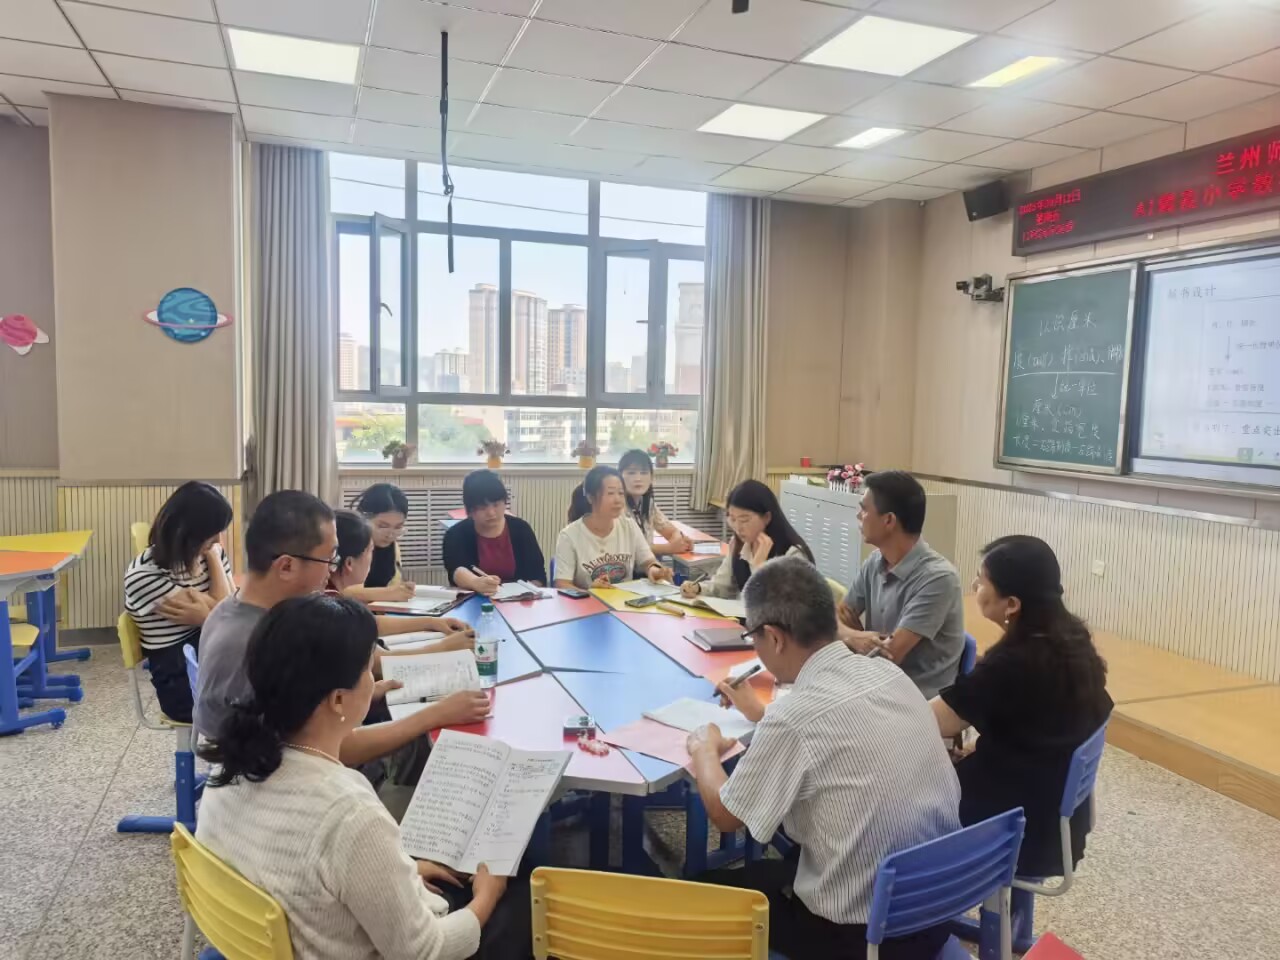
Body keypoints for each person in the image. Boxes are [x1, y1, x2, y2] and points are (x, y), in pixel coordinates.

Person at [197, 594, 529, 960]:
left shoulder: (230, 762)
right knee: (523, 895)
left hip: (270, 942)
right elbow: (426, 951)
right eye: (369, 670)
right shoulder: (349, 813)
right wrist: (488, 894)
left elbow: (296, 864)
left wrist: (393, 873)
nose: (374, 681)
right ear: (338, 700)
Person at [687, 557, 960, 960]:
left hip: (865, 937)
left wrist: (704, 750)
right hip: (936, 905)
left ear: (774, 637)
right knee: (787, 858)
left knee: (699, 891)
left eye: (752, 636)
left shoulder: (793, 716)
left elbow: (727, 816)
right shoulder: (889, 675)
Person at [193, 490, 488, 762]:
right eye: (328, 558)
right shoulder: (264, 642)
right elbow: (332, 750)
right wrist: (435, 715)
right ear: (286, 566)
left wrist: (367, 694)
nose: (333, 569)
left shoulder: (241, 609)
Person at [931, 536, 1112, 877]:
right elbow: (1041, 724)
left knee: (900, 796)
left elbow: (934, 721)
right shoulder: (1073, 640)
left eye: (982, 581)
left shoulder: (1011, 664)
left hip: (1017, 829)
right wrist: (986, 749)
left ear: (1011, 604)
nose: (975, 587)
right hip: (1054, 818)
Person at [838, 470, 964, 699]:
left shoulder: (938, 578)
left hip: (916, 699)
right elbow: (837, 617)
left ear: (889, 520)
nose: (858, 515)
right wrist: (851, 636)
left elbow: (888, 656)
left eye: (864, 509)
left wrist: (848, 636)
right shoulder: (875, 561)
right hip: (875, 685)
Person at [123, 481, 234, 723]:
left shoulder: (210, 553)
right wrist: (213, 616)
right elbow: (225, 614)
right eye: (212, 533)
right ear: (186, 533)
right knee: (267, 700)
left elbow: (229, 610)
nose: (218, 540)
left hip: (212, 658)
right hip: (182, 680)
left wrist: (214, 559)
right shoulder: (144, 575)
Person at [331, 509, 475, 650]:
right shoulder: (329, 606)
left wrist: (431, 622)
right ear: (349, 563)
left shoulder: (334, 597)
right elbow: (375, 660)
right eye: (370, 550)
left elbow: (366, 624)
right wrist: (443, 647)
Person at [681, 479, 813, 601]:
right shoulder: (739, 544)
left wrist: (759, 567)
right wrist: (698, 588)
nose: (738, 527)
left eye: (744, 520)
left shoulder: (792, 555)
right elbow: (722, 587)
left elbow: (780, 607)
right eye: (732, 519)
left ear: (766, 517)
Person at [554, 465, 673, 591]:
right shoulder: (569, 536)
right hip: (587, 602)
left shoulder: (629, 526)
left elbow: (648, 562)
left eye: (621, 493)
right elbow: (562, 584)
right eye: (610, 493)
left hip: (625, 600)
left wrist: (655, 570)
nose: (618, 500)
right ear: (590, 497)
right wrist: (591, 592)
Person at [444, 471, 546, 596]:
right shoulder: (456, 534)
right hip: (476, 600)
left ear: (504, 502)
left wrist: (526, 593)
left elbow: (538, 575)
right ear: (470, 509)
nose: (491, 513)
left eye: (496, 504)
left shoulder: (521, 529)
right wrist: (475, 582)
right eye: (482, 507)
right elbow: (456, 570)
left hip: (519, 601)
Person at [345, 482, 415, 603]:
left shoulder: (393, 547)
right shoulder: (348, 543)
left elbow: (393, 584)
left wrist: (403, 590)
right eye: (382, 526)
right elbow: (339, 592)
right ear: (364, 517)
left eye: (398, 527)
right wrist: (388, 593)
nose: (390, 535)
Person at [619, 449, 692, 555]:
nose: (638, 478)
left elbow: (672, 532)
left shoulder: (648, 504)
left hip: (648, 562)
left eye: (644, 473)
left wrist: (681, 541)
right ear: (619, 477)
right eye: (631, 473)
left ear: (651, 478)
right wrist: (669, 548)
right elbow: (627, 549)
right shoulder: (616, 507)